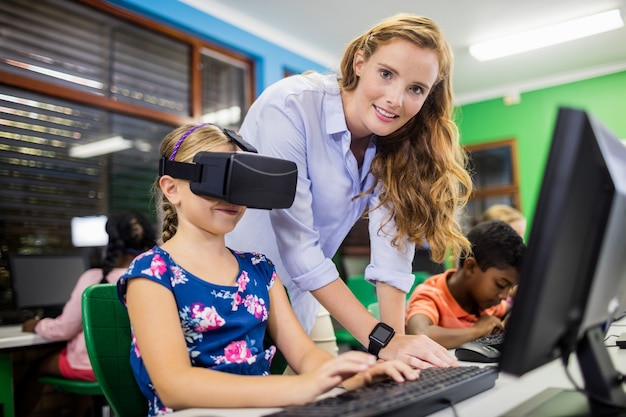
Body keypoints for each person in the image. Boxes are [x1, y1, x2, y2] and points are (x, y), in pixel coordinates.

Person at [119, 124, 419, 416]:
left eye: (240, 183)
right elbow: (175, 386)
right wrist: (299, 389)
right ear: (172, 189)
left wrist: (354, 375)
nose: (231, 197)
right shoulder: (152, 273)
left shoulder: (259, 270)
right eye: (219, 181)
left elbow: (304, 354)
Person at [225, 12, 470, 368]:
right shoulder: (291, 105)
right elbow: (298, 246)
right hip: (232, 296)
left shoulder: (394, 141)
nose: (395, 99)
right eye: (386, 74)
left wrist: (397, 345)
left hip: (304, 299)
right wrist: (382, 340)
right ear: (360, 63)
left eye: (416, 89)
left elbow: (392, 247)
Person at [17, 211, 156, 417]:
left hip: (94, 367)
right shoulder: (155, 278)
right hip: (138, 368)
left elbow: (64, 330)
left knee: (36, 366)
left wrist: (36, 325)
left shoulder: (94, 279)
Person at [405, 220, 526, 349]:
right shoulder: (431, 295)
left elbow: (512, 309)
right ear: (471, 267)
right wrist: (477, 331)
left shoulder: (486, 303)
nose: (504, 295)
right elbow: (420, 333)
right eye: (500, 285)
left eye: (510, 287)